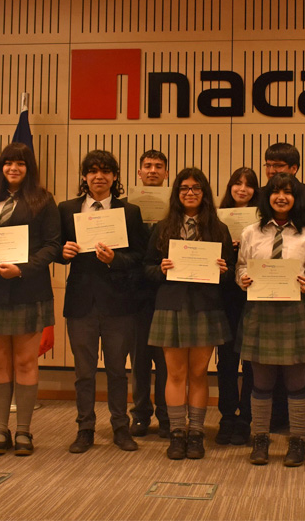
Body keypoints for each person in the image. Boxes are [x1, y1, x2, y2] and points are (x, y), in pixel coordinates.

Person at [0, 142, 61, 457]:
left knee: (25, 361)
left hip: (28, 290)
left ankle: (24, 432)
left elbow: (52, 246)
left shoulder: (43, 201)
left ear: (28, 167)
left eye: (20, 163)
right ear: (1, 167)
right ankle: (0, 430)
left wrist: (20, 270)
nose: (13, 168)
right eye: (8, 163)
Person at [58, 150, 148, 454]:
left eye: (106, 171)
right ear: (84, 177)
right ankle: (85, 428)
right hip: (81, 301)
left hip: (119, 303)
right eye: (93, 171)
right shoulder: (66, 209)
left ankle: (120, 427)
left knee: (116, 371)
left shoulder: (130, 212)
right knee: (83, 372)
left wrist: (115, 260)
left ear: (114, 177)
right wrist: (63, 252)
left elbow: (140, 257)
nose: (99, 176)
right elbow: (55, 248)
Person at [145, 168, 234, 460]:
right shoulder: (162, 228)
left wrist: (223, 271)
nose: (190, 193)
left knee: (198, 374)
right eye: (184, 188)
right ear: (176, 193)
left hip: (206, 306)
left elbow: (231, 274)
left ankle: (196, 432)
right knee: (175, 374)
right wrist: (160, 269)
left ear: (204, 193)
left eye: (196, 188)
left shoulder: (218, 229)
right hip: (171, 305)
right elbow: (145, 269)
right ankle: (176, 433)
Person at [237, 172, 305, 467]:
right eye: (275, 192)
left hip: (294, 311)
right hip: (260, 311)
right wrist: (243, 279)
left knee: (296, 383)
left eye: (287, 192)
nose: (281, 197)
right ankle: (260, 439)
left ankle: (297, 441)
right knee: (260, 383)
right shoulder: (251, 232)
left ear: (295, 198)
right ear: (267, 197)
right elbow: (240, 268)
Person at [262, 142, 305, 434]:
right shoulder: (261, 201)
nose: (272, 172)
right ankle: (275, 420)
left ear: (294, 169)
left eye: (278, 166)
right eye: (268, 165)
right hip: (265, 297)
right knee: (268, 365)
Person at [215, 167, 260, 446]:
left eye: (248, 185)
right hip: (224, 297)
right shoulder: (216, 219)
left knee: (252, 362)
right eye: (237, 184)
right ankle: (226, 416)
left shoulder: (262, 223)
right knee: (227, 361)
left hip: (253, 295)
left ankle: (246, 419)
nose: (242, 189)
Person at [129, 149, 171, 439]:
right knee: (140, 359)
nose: (153, 170)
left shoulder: (177, 207)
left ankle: (168, 416)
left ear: (166, 174)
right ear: (139, 174)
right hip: (134, 294)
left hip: (168, 294)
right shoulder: (126, 209)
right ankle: (141, 415)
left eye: (158, 166)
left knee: (168, 362)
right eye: (148, 166)